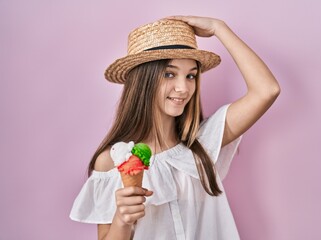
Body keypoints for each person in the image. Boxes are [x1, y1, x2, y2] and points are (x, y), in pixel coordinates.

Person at [70, 15, 280, 240]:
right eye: (169, 74)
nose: (183, 87)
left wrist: (220, 28)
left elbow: (266, 90)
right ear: (143, 80)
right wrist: (122, 220)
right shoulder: (114, 160)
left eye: (191, 75)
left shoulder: (203, 142)